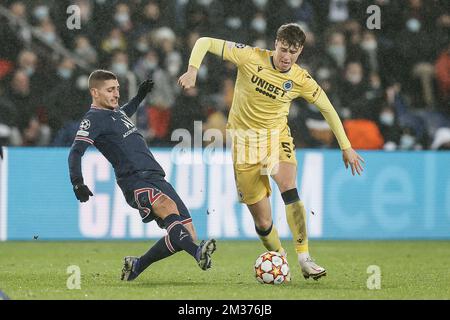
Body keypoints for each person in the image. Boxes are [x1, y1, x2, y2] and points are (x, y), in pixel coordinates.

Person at [178, 23, 364, 280]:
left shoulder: (300, 79)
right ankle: (280, 257)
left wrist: (346, 146)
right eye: (284, 49)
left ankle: (304, 257)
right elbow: (204, 41)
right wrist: (192, 71)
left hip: (276, 138)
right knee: (263, 222)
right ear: (275, 44)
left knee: (288, 185)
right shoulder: (250, 56)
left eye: (294, 52)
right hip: (244, 144)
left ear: (300, 52)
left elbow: (328, 109)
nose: (287, 56)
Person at [68, 70, 216, 281]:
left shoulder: (114, 112)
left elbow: (124, 112)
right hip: (134, 180)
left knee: (187, 233)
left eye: (117, 89)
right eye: (110, 90)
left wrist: (139, 97)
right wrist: (77, 183)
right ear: (95, 92)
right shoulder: (92, 119)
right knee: (167, 206)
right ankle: (197, 253)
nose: (116, 94)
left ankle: (137, 266)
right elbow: (75, 151)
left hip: (155, 176)